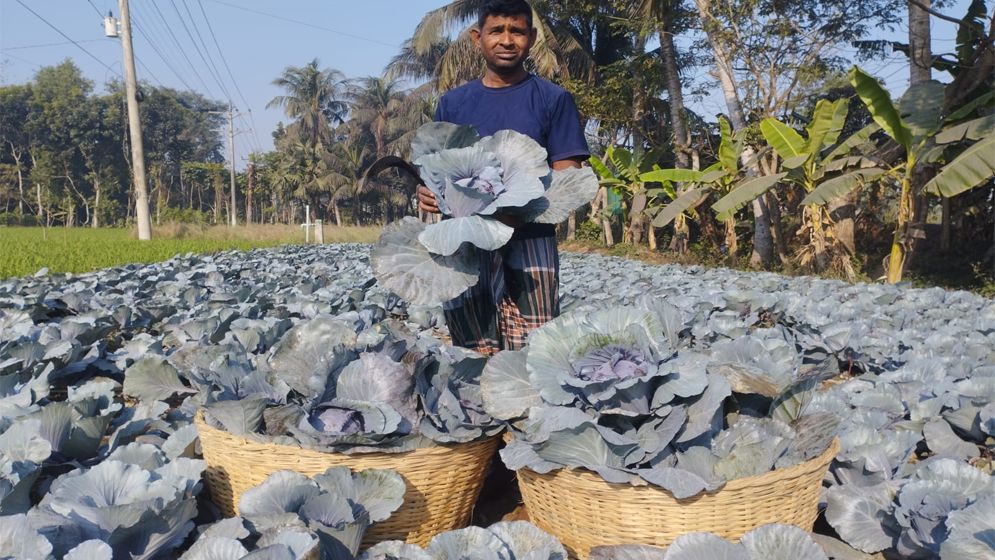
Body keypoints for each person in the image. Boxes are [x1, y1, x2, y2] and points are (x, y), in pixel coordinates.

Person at [417, 0, 589, 356]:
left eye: (517, 31)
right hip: (465, 241)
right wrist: (428, 192)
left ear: (532, 37)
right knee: (471, 341)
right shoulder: (453, 104)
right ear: (477, 37)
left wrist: (514, 210)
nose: (507, 40)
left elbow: (568, 175)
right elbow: (436, 170)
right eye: (497, 31)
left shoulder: (553, 99)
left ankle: (526, 406)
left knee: (537, 343)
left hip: (531, 236)